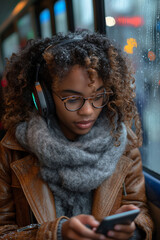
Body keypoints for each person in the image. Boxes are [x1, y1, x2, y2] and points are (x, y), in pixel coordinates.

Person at [0, 30, 153, 240]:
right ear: (44, 99)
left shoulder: (123, 144)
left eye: (98, 96)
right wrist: (57, 233)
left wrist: (133, 230)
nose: (88, 111)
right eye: (72, 99)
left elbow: (139, 210)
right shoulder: (12, 151)